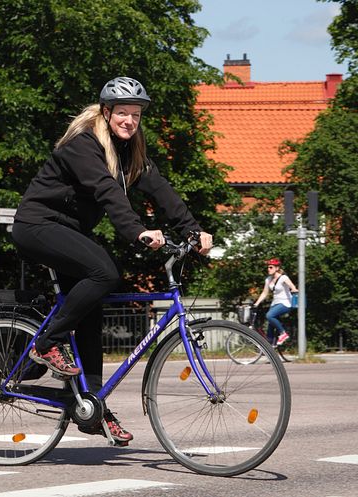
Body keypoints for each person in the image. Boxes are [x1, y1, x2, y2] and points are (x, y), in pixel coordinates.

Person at [11, 77, 213, 445]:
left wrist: (193, 230)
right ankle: (47, 343)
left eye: (135, 115)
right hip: (37, 226)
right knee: (104, 272)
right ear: (106, 112)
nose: (130, 121)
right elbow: (106, 192)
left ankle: (92, 406)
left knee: (92, 310)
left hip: (69, 233)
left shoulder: (129, 152)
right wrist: (137, 231)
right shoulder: (83, 145)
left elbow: (161, 190)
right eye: (123, 113)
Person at [253, 258, 298, 346]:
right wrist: (256, 303)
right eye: (268, 267)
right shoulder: (268, 280)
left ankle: (283, 333)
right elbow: (265, 292)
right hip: (275, 303)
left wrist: (293, 289)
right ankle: (270, 345)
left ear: (277, 268)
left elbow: (292, 286)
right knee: (270, 323)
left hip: (286, 303)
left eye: (271, 267)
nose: (268, 269)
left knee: (269, 315)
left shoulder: (283, 278)